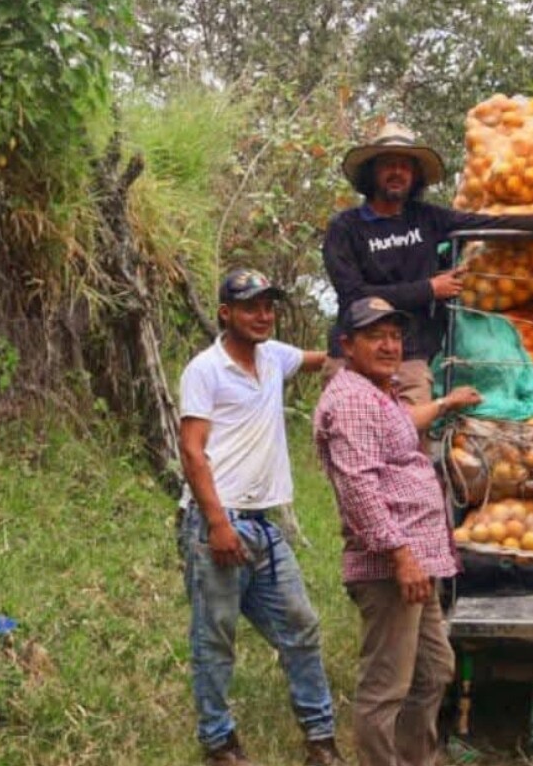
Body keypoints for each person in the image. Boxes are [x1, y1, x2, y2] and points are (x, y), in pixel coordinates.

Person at [178, 268, 343, 766]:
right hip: (218, 522)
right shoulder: (205, 369)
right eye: (251, 307)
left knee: (301, 626)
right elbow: (191, 451)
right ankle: (219, 743)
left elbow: (323, 361)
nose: (263, 315)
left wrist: (362, 349)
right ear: (226, 313)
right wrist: (217, 525)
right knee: (215, 639)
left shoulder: (273, 358)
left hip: (263, 525)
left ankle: (321, 741)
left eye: (269, 306)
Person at [322, 122, 533, 406]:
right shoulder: (346, 227)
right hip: (352, 358)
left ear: (415, 176)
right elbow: (354, 295)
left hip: (407, 358)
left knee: (409, 445)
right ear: (372, 172)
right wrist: (428, 289)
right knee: (348, 441)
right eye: (388, 165)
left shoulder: (427, 218)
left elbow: (493, 222)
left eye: (405, 166)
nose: (397, 172)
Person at [313, 296, 484, 766]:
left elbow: (401, 425)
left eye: (394, 335)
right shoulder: (350, 401)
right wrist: (401, 555)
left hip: (417, 561)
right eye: (375, 336)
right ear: (347, 344)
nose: (389, 345)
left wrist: (447, 402)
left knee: (433, 669)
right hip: (393, 566)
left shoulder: (377, 392)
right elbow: (359, 489)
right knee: (387, 685)